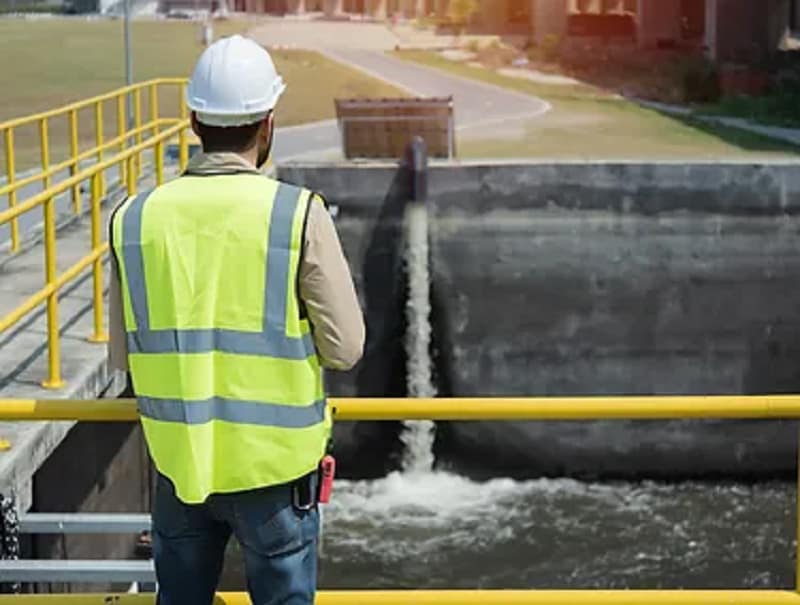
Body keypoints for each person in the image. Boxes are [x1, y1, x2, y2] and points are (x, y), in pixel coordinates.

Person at [107, 34, 365, 605]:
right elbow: (346, 348)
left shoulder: (133, 220)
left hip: (179, 471)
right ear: (268, 123)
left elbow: (120, 360)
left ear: (194, 121)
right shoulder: (297, 215)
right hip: (275, 479)